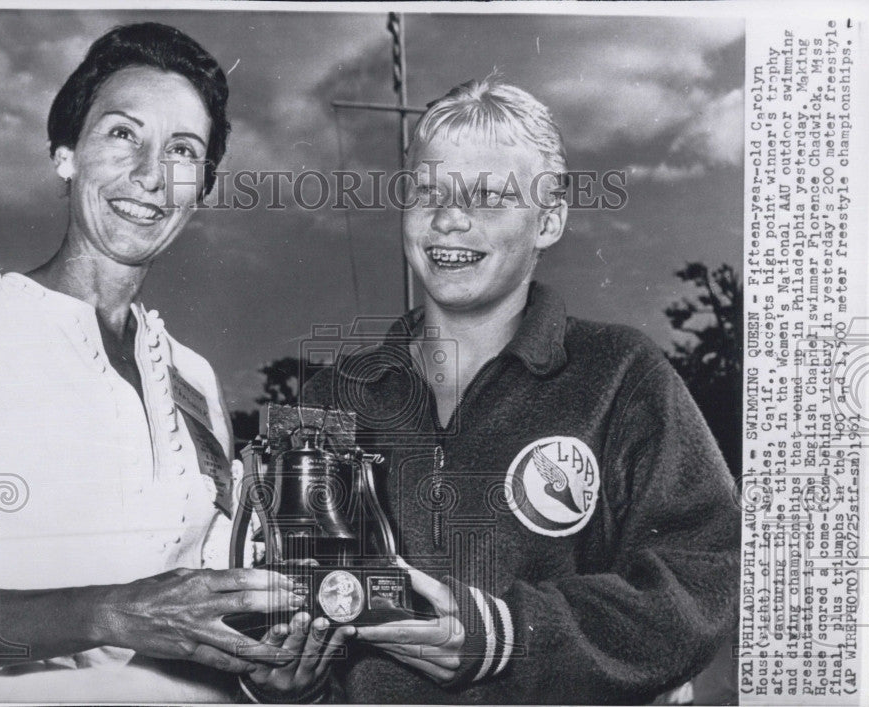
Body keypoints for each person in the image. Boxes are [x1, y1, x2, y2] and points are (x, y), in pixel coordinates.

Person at [0, 22, 338, 703]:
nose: (151, 175)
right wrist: (113, 612)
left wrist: (268, 673)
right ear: (65, 152)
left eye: (182, 150)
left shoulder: (195, 377)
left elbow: (206, 610)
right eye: (123, 133)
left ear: (202, 190)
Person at [301, 77, 741, 703]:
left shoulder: (620, 377)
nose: (450, 218)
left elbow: (704, 576)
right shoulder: (334, 396)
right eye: (428, 191)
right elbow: (291, 602)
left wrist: (508, 635)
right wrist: (284, 684)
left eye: (488, 195)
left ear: (550, 219)